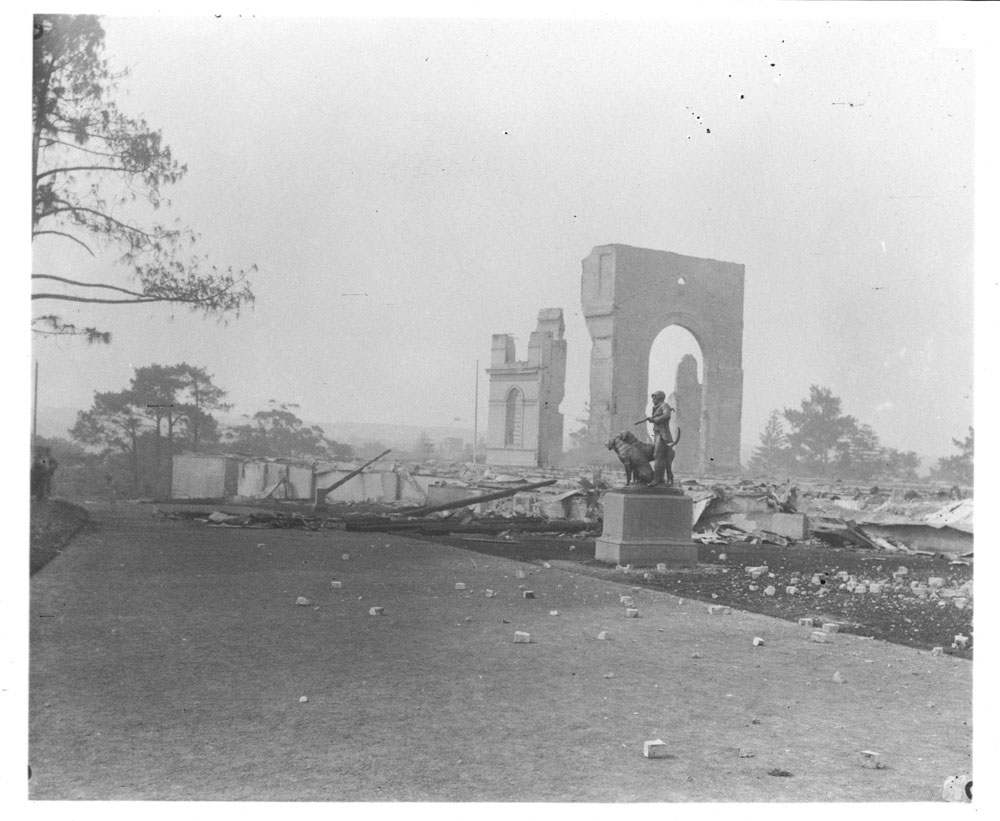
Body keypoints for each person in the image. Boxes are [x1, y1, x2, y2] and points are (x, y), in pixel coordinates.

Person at [646, 391, 674, 485]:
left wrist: (654, 419)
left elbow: (667, 415)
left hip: (663, 435)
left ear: (659, 398)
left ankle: (656, 479)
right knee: (659, 456)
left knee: (657, 456)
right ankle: (660, 478)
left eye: (655, 398)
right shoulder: (657, 407)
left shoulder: (664, 405)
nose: (653, 400)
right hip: (657, 434)